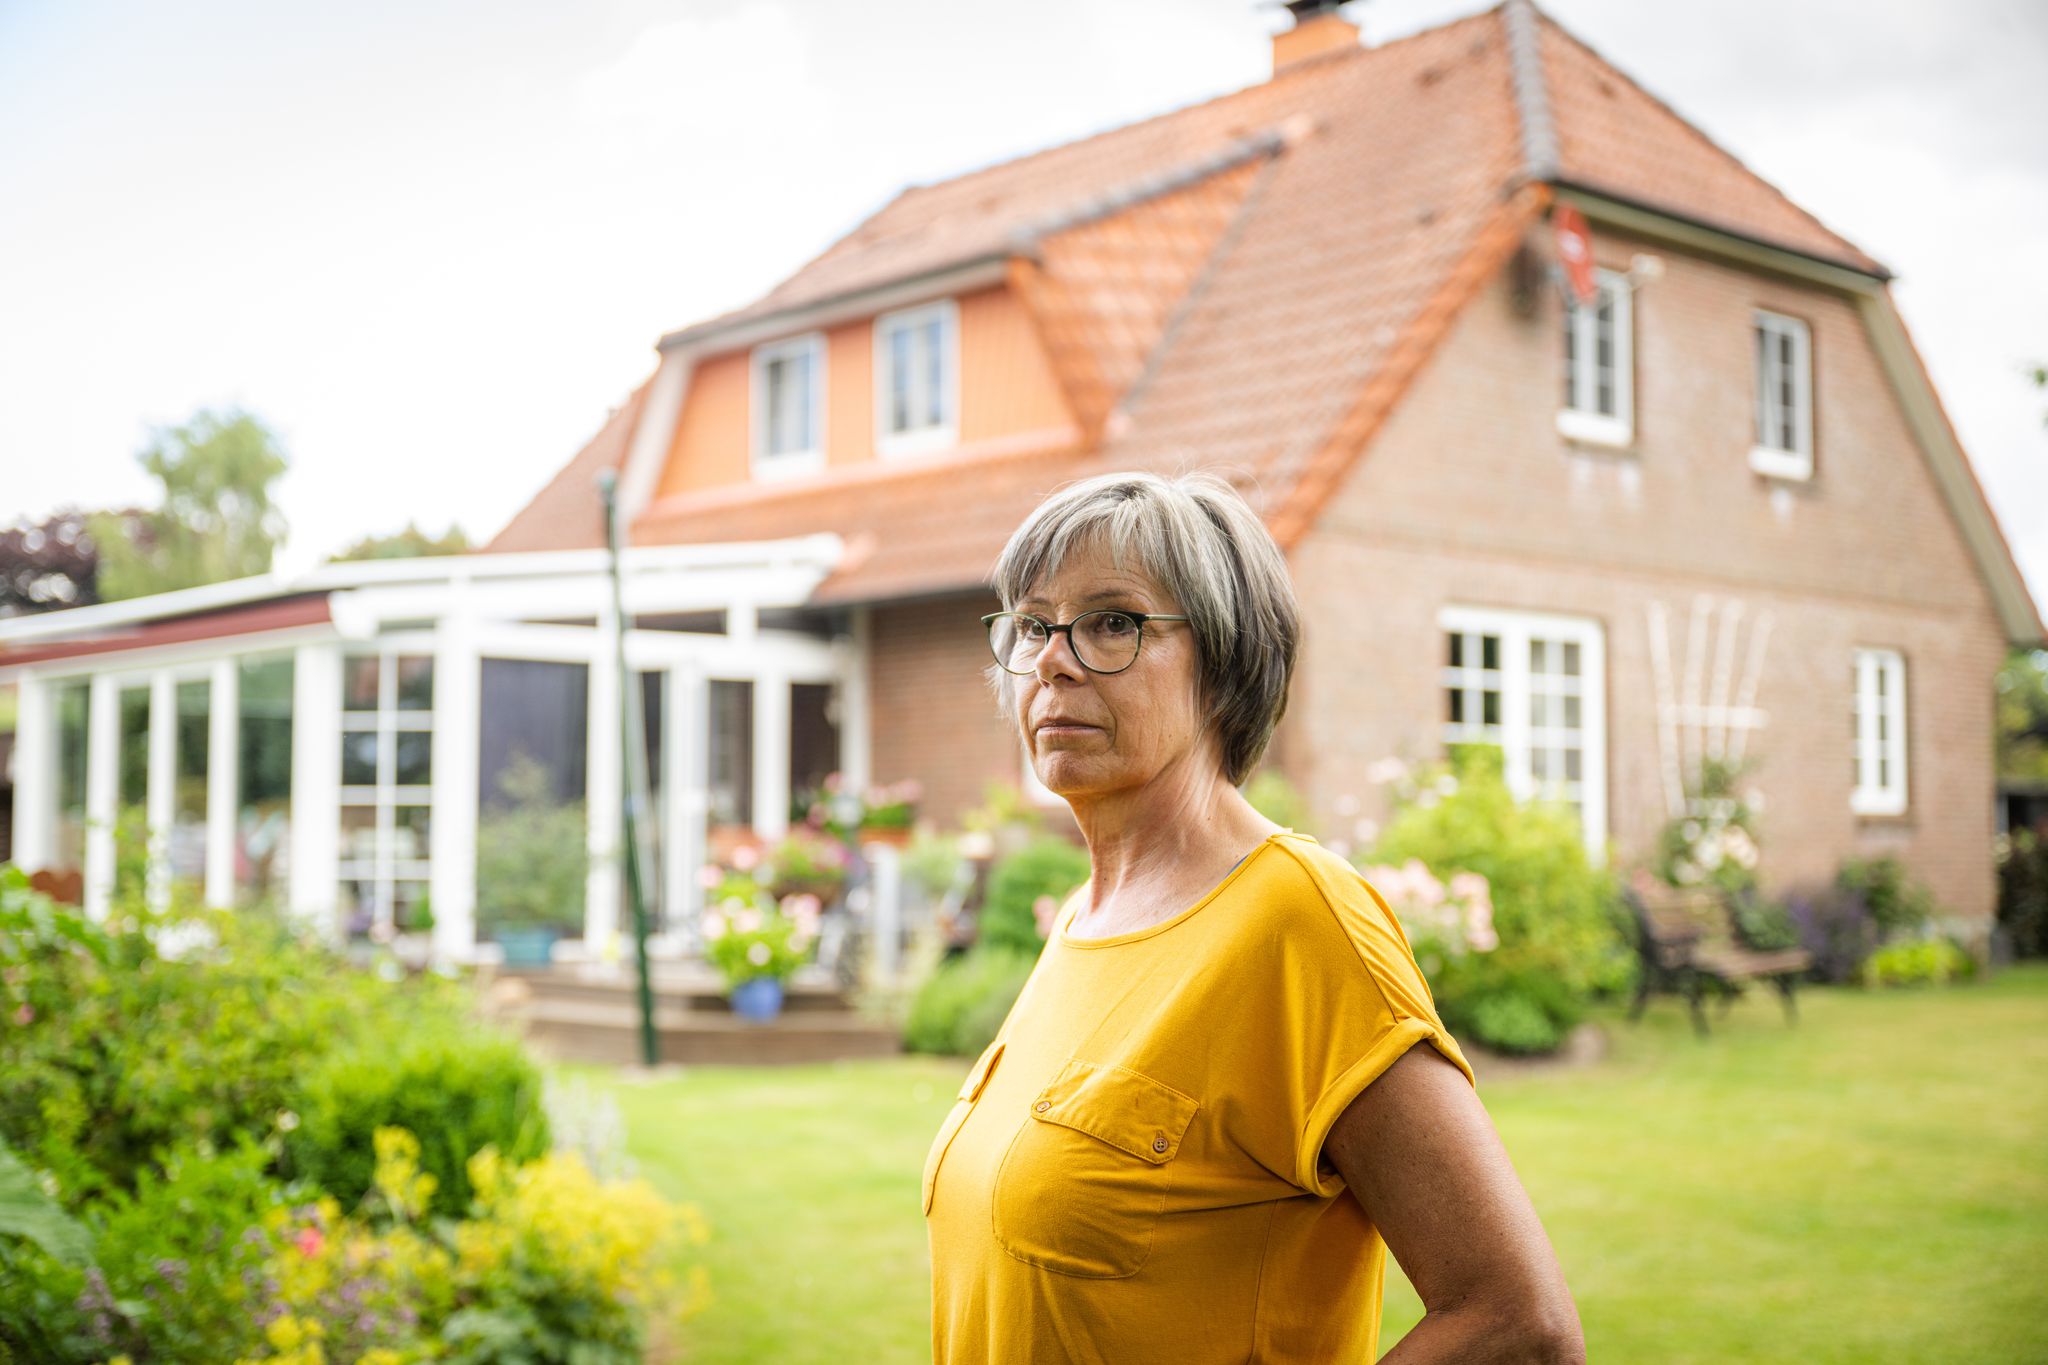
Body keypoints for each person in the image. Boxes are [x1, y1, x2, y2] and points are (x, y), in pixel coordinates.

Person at [923, 470, 1584, 1363]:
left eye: (1112, 621)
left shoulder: (1298, 916)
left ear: (1226, 660)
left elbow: (1519, 1324)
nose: (1054, 658)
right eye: (1034, 624)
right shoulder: (1084, 920)